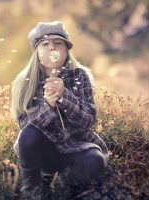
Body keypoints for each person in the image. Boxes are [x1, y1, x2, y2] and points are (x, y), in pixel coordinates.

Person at [10, 21, 109, 199]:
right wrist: (48, 106)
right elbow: (25, 128)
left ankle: (61, 184)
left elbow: (89, 121)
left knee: (96, 160)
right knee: (29, 134)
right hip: (43, 151)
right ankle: (32, 188)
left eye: (58, 44)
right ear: (36, 52)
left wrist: (65, 97)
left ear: (66, 50)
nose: (52, 49)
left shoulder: (79, 76)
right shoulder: (25, 81)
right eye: (45, 45)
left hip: (76, 146)